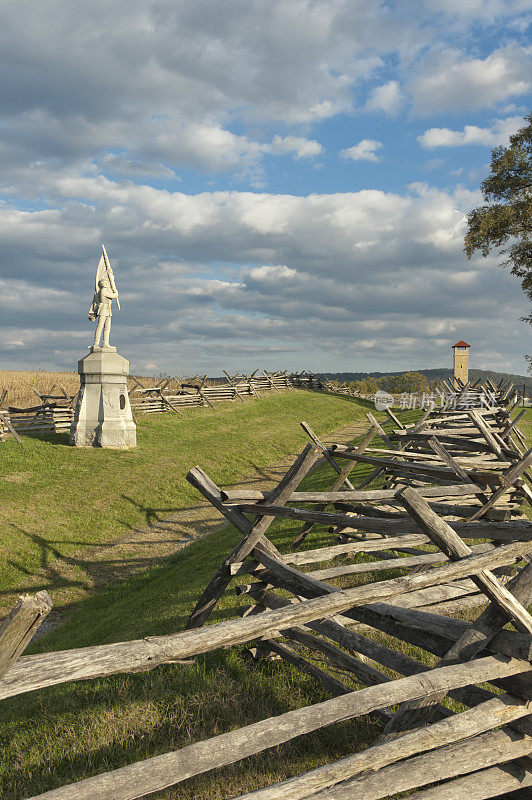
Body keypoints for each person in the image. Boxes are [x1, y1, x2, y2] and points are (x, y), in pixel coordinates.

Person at [88, 277, 118, 348]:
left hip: (107, 310)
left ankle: (105, 343)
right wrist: (116, 292)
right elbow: (113, 295)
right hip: (103, 310)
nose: (107, 284)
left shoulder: (105, 290)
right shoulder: (103, 291)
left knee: (107, 327)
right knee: (100, 326)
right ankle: (96, 343)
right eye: (106, 282)